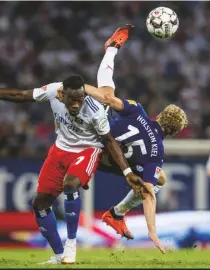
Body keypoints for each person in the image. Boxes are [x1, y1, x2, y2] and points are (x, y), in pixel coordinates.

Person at [0, 71, 148, 265]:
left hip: (87, 150)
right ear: (62, 94)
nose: (75, 104)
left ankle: (71, 244)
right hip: (60, 150)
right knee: (40, 204)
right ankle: (58, 255)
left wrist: (128, 172)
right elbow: (20, 95)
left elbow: (110, 142)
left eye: (80, 99)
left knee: (70, 184)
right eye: (71, 99)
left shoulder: (95, 111)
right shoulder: (53, 91)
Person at [58, 24, 188, 253]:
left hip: (92, 140)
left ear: (159, 115)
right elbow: (148, 196)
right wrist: (153, 232)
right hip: (110, 158)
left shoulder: (137, 111)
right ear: (174, 132)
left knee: (108, 94)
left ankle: (111, 50)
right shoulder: (156, 152)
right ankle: (118, 212)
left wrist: (80, 89)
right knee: (154, 183)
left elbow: (108, 99)